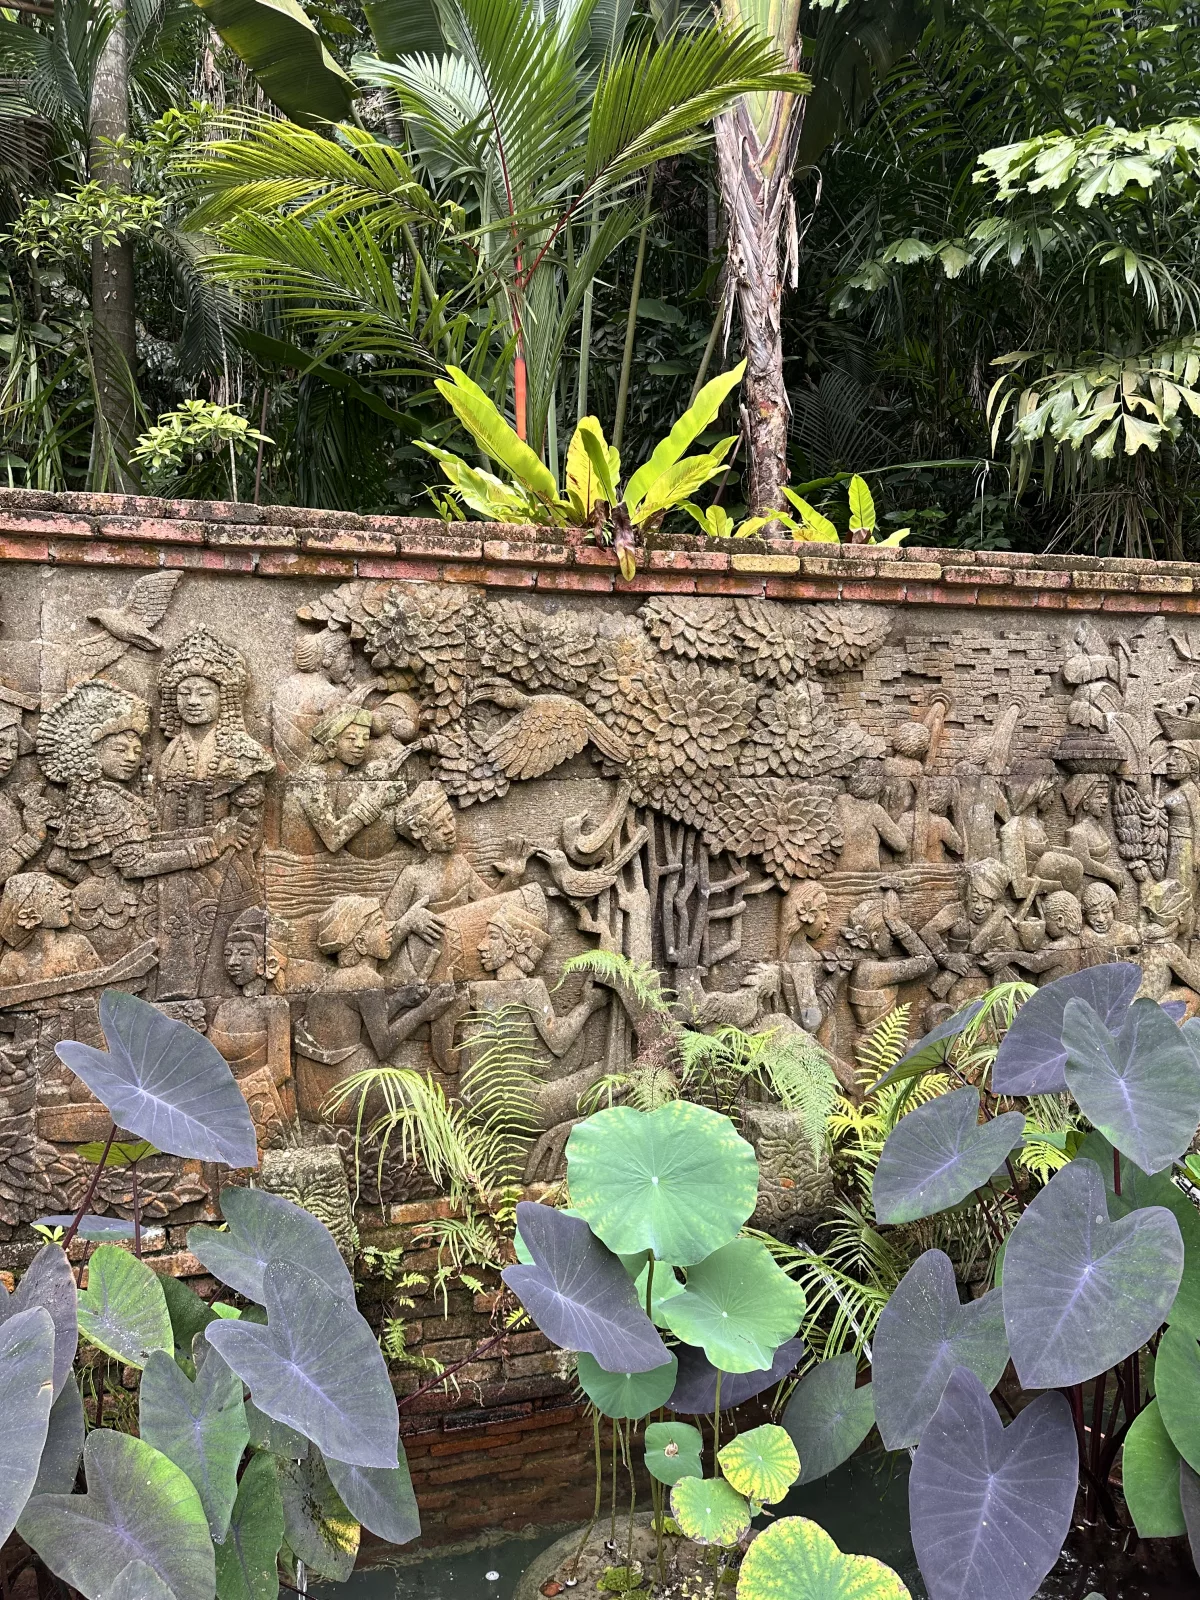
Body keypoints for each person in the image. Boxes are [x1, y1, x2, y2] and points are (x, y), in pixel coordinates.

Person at [152, 628, 274, 999]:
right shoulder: (171, 752)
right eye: (185, 693)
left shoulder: (242, 750)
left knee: (229, 948)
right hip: (176, 867)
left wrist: (229, 835)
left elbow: (249, 822)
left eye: (204, 692)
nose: (193, 701)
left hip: (230, 867)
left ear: (225, 698)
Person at [293, 895, 454, 1120]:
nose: (389, 930)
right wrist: (425, 1011)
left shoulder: (342, 979)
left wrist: (400, 1000)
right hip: (341, 1092)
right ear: (360, 944)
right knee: (422, 1100)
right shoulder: (366, 980)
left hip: (318, 1090)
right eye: (379, 924)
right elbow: (383, 1045)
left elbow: (362, 1030)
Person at [207, 907, 294, 1145]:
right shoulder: (224, 1009)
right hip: (220, 1108)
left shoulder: (275, 1007)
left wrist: (238, 1093)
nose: (232, 962)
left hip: (262, 1106)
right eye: (227, 954)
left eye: (243, 954)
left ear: (264, 962)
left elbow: (280, 1070)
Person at [280, 707, 412, 858]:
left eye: (365, 738)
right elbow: (333, 838)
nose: (361, 744)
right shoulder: (308, 780)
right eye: (351, 738)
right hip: (300, 868)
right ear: (331, 746)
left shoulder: (345, 779)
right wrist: (379, 800)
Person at [838, 890, 936, 1030]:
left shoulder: (864, 967)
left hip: (881, 1045)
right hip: (878, 1047)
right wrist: (896, 922)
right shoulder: (871, 971)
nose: (893, 939)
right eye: (890, 932)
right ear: (875, 939)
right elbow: (926, 961)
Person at [271, 627, 358, 777]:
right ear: (328, 659)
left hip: (282, 774)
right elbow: (342, 747)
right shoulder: (329, 694)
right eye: (347, 657)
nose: (352, 666)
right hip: (313, 776)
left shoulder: (284, 687)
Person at [0, 873, 101, 987]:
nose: (66, 892)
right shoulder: (12, 962)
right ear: (29, 909)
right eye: (50, 890)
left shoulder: (77, 945)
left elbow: (102, 988)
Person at [834, 763, 909, 873]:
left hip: (838, 871)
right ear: (877, 786)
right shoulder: (873, 810)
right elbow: (900, 844)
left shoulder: (837, 802)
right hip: (867, 873)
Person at [1079, 882, 1140, 961]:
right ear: (1085, 915)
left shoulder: (1128, 933)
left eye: (1105, 912)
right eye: (1093, 913)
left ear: (1113, 911)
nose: (1101, 919)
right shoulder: (1083, 937)